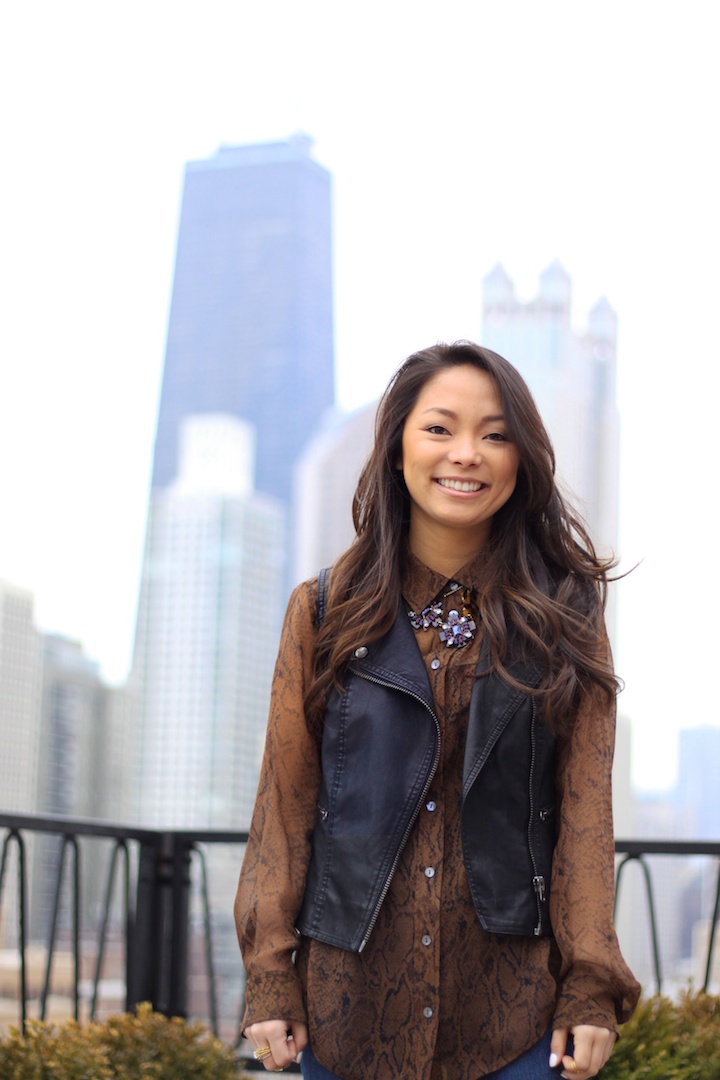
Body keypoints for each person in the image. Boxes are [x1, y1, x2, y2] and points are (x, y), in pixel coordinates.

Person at [235, 342, 640, 1080]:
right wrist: (270, 975)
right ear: (396, 450)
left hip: (513, 1019)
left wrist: (589, 989)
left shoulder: (565, 617)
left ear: (522, 461)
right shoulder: (324, 611)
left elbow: (584, 821)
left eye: (495, 434)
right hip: (346, 1012)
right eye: (440, 429)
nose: (468, 454)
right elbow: (284, 809)